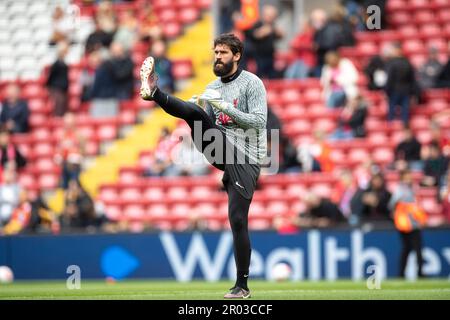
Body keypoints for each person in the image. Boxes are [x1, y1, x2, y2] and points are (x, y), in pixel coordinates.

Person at [140, 33, 267, 299]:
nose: (218, 57)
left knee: (238, 220)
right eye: (216, 52)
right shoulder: (213, 87)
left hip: (245, 156)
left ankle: (241, 286)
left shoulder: (252, 83)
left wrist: (225, 108)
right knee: (195, 113)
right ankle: (154, 92)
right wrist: (206, 109)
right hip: (219, 148)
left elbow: (258, 123)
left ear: (237, 55)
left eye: (223, 53)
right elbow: (211, 122)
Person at [389, 170, 427, 278]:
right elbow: (392, 205)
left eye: (409, 177)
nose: (408, 179)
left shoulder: (413, 189)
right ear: (402, 178)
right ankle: (402, 273)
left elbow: (418, 207)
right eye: (406, 177)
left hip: (414, 224)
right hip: (405, 225)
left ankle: (419, 272)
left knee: (416, 248)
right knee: (408, 248)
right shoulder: (400, 190)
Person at [244, 4, 283, 79]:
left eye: (273, 16)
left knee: (272, 77)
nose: (271, 18)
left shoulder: (273, 26)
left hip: (270, 56)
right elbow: (253, 35)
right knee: (259, 78)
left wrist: (275, 31)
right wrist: (263, 32)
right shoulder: (258, 24)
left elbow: (281, 35)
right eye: (269, 16)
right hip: (259, 57)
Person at [384, 43, 416, 126]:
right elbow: (412, 79)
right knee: (405, 113)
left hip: (394, 91)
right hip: (406, 91)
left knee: (391, 112)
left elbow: (389, 79)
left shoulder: (391, 63)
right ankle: (404, 127)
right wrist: (412, 92)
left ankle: (390, 127)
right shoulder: (407, 62)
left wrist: (386, 91)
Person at [46, 42, 69, 117]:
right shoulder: (57, 64)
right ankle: (57, 118)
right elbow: (51, 76)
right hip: (57, 87)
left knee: (62, 104)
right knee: (59, 103)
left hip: (62, 87)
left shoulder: (62, 63)